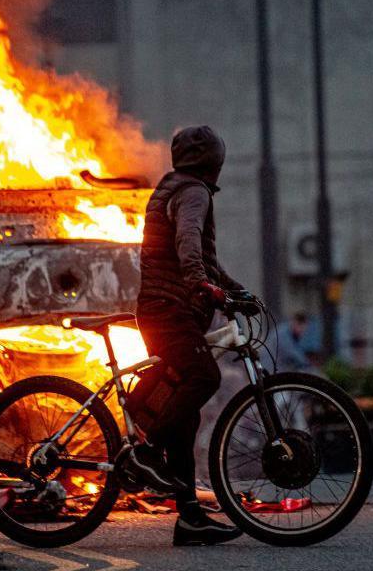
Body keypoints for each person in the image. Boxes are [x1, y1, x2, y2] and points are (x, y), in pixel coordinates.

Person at [126, 125, 246, 546]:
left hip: (167, 309)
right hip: (169, 310)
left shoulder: (175, 186)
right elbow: (189, 242)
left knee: (186, 415)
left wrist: (232, 290)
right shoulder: (194, 192)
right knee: (205, 378)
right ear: (214, 162)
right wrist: (201, 283)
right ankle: (144, 452)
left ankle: (190, 519)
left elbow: (205, 261)